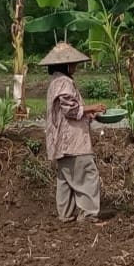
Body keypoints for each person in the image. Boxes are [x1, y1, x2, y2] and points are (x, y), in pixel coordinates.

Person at [40, 42, 107, 224]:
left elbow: (71, 111)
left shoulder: (55, 81)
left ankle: (66, 214)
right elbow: (70, 110)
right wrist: (92, 107)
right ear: (66, 65)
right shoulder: (64, 82)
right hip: (73, 140)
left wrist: (88, 113)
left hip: (61, 141)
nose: (76, 67)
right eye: (74, 63)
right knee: (87, 174)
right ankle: (88, 214)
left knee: (66, 178)